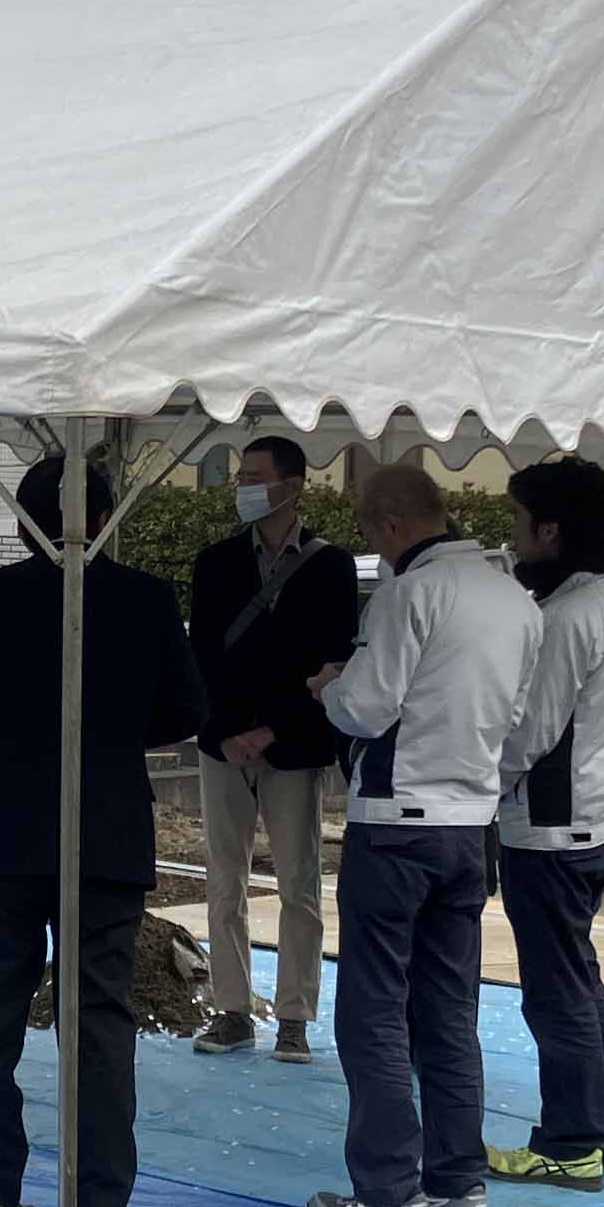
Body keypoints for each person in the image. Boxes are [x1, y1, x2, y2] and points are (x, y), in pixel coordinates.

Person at [0, 449, 207, 1207]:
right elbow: (185, 710)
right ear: (102, 516)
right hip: (105, 832)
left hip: (4, 835)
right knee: (97, 1021)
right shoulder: (145, 600)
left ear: (26, 520)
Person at [303, 464, 539, 1207]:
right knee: (448, 1009)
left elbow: (370, 707)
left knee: (373, 1011)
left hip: (397, 820)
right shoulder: (515, 598)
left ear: (391, 525)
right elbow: (523, 726)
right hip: (471, 825)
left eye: (372, 534)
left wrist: (331, 686)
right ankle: (458, 1184)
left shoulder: (410, 593)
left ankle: (388, 1189)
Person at [484, 459, 604, 1192]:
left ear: (551, 531)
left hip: (550, 825)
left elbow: (529, 732)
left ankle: (571, 1141)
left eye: (520, 524)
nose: (513, 538)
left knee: (555, 990)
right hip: (587, 819)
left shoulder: (567, 616)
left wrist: (475, 779)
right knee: (579, 977)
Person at [186, 434, 362, 1063]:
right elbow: (203, 655)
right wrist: (227, 731)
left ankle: (294, 1016)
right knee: (224, 882)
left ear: (293, 486)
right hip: (222, 746)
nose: (243, 488)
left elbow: (331, 661)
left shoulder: (331, 566)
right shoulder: (215, 562)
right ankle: (232, 1009)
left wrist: (273, 730)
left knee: (299, 884)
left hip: (294, 747)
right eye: (241, 476)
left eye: (255, 477)